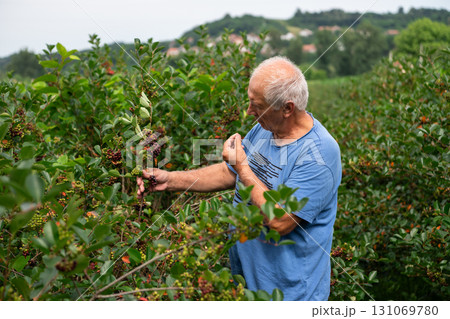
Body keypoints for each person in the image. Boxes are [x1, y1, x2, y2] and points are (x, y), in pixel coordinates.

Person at [137, 56, 342, 301]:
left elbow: (280, 220)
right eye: (250, 102)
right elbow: (229, 172)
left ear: (287, 109)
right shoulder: (265, 128)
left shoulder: (320, 153)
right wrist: (169, 179)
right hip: (247, 286)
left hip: (290, 295)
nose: (249, 112)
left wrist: (243, 166)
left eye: (257, 105)